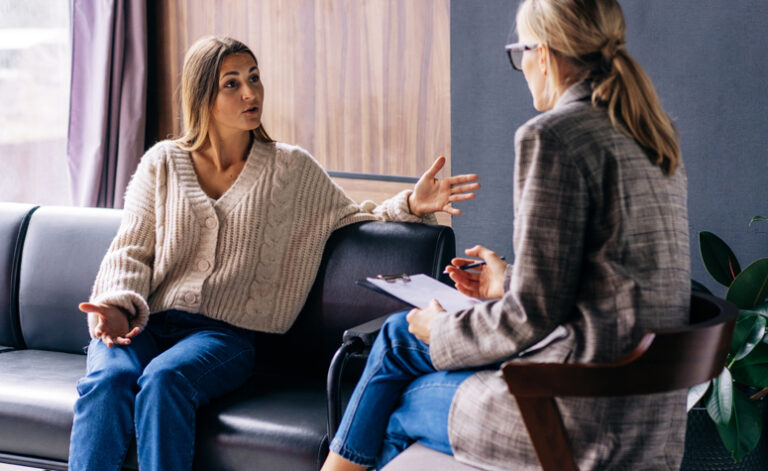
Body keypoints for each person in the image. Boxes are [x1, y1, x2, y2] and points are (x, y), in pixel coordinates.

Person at [67, 36, 480, 471]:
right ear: (203, 95)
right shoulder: (163, 163)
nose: (251, 93)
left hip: (224, 336)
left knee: (164, 381)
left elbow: (352, 218)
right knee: (109, 379)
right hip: (145, 321)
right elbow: (131, 247)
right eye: (232, 84)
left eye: (254, 78)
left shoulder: (290, 169)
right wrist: (114, 306)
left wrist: (411, 205)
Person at [321, 0, 689, 469]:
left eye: (521, 52)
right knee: (397, 335)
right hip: (642, 413)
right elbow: (611, 285)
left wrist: (442, 330)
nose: (523, 67)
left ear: (546, 54)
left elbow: (529, 317)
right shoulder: (652, 136)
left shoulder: (553, 136)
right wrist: (507, 280)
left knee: (398, 400)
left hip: (574, 417)